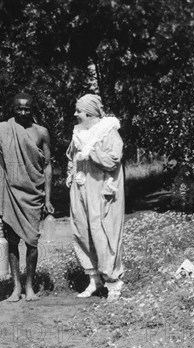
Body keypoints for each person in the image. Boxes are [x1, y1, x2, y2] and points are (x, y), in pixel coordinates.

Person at [0, 92, 54, 302]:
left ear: (33, 109)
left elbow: (47, 166)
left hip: (34, 194)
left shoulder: (41, 132)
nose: (23, 112)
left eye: (27, 109)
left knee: (32, 242)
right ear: (13, 108)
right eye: (20, 108)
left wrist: (48, 199)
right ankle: (16, 287)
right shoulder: (4, 130)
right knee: (12, 240)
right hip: (10, 192)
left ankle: (30, 286)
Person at [66, 94, 125, 301]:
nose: (75, 114)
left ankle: (113, 282)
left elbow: (112, 161)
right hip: (80, 188)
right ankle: (94, 279)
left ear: (90, 113)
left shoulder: (108, 132)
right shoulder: (79, 133)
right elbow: (74, 159)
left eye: (79, 111)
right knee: (82, 231)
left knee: (103, 233)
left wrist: (90, 151)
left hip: (101, 192)